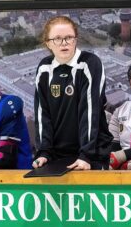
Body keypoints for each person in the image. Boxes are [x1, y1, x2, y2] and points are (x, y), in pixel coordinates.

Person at [32, 15, 112, 170]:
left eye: (69, 37)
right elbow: (42, 114)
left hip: (91, 153)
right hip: (56, 155)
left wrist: (86, 155)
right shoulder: (44, 68)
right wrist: (43, 152)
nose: (64, 43)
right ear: (48, 43)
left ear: (75, 39)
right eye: (57, 38)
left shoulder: (89, 63)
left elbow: (90, 112)